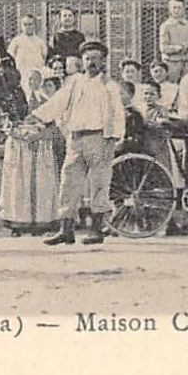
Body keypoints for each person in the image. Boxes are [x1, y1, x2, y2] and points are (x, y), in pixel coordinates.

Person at [33, 40, 127, 246]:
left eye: (95, 58)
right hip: (76, 138)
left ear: (102, 61)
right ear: (82, 61)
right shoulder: (75, 82)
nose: (91, 62)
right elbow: (58, 101)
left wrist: (115, 137)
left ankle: (96, 229)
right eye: (87, 58)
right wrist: (38, 117)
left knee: (99, 183)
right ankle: (65, 230)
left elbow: (118, 113)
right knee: (69, 182)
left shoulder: (109, 86)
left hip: (100, 138)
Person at [0, 66, 61, 237]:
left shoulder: (47, 101)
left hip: (41, 146)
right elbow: (6, 123)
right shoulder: (14, 100)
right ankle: (18, 224)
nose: (33, 83)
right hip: (20, 146)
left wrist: (38, 135)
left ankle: (41, 223)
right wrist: (21, 134)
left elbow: (54, 124)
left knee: (42, 184)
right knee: (19, 184)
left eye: (37, 80)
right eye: (30, 80)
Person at [158, 0, 188, 80]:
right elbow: (163, 48)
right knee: (172, 87)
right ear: (169, 9)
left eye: (179, 8)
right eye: (174, 7)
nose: (176, 10)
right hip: (171, 63)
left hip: (187, 62)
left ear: (183, 9)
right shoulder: (165, 26)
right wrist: (178, 48)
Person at [6, 14, 48, 82]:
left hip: (37, 75)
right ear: (21, 26)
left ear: (34, 25)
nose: (28, 27)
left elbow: (44, 57)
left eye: (30, 24)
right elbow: (10, 56)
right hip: (22, 75)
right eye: (25, 24)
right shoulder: (16, 41)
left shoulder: (40, 42)